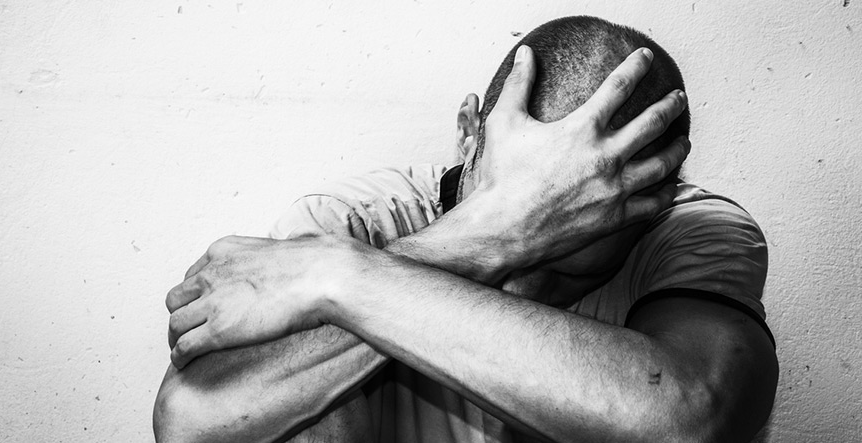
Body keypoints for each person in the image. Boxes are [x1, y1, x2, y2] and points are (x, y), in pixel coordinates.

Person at [154, 16, 778, 443]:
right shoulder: (350, 223)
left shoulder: (693, 230)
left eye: (570, 247)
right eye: (520, 204)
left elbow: (689, 420)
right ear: (467, 132)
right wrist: (484, 239)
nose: (527, 277)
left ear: (653, 195)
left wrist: (341, 279)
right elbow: (195, 421)